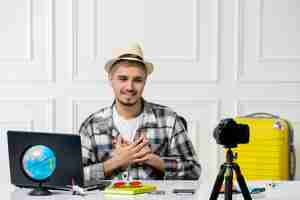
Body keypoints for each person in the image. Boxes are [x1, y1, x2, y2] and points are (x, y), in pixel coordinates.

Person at [79, 43, 201, 181]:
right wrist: (117, 162)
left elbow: (194, 170)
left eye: (137, 80)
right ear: (111, 79)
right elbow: (75, 177)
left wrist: (151, 159)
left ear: (145, 81)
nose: (130, 87)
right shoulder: (91, 125)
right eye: (123, 79)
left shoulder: (168, 119)